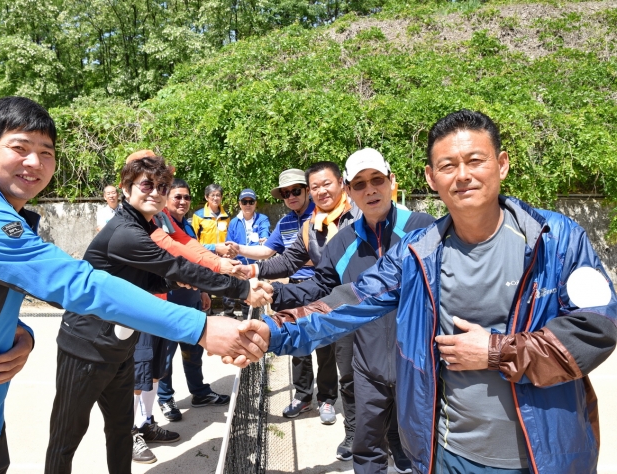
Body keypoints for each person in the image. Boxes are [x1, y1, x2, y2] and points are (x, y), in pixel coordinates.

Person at [0, 96, 268, 474]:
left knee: (120, 430)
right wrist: (202, 326)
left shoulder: (5, 214)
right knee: (68, 436)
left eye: (46, 152)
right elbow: (82, 284)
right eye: (20, 148)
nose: (34, 162)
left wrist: (21, 332)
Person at [244, 110, 617, 473]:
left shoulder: (557, 239)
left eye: (475, 161)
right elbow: (351, 300)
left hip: (546, 454)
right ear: (431, 177)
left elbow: (598, 327)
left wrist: (496, 351)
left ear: (502, 164)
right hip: (448, 454)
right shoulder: (418, 252)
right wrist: (271, 331)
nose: (463, 175)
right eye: (448, 166)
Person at [45, 156, 273, 472]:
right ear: (126, 189)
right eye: (147, 185)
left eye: (162, 186)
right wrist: (242, 288)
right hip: (85, 346)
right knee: (67, 436)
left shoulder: (146, 224)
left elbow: (154, 274)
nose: (156, 192)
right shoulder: (125, 232)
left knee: (121, 430)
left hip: (120, 345)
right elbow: (175, 265)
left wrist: (174, 280)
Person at [268, 148, 434, 469]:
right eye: (359, 184)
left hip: (417, 368)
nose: (370, 190)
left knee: (421, 451)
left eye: (377, 180)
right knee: (367, 449)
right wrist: (273, 293)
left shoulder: (424, 228)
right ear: (349, 190)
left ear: (392, 181)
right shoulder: (343, 241)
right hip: (368, 368)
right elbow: (320, 286)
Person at [243, 162, 362, 428]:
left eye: (326, 184)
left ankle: (335, 405)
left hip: (362, 303)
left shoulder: (360, 217)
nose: (321, 191)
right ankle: (349, 429)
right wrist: (251, 269)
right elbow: (288, 261)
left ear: (342, 184)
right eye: (286, 193)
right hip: (318, 293)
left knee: (352, 370)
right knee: (307, 349)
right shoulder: (309, 226)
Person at [157, 178, 233, 423]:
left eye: (186, 197)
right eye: (177, 197)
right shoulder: (160, 227)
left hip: (192, 300)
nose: (182, 201)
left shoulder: (188, 227)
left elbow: (195, 260)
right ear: (166, 199)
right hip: (169, 303)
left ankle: (199, 392)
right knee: (165, 355)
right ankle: (165, 398)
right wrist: (216, 249)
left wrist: (202, 291)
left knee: (193, 350)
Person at [223, 188, 270, 318]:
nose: (248, 205)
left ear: (255, 203)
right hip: (238, 265)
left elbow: (265, 233)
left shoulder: (262, 219)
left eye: (251, 202)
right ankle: (229, 321)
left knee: (251, 301)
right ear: (240, 203)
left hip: (256, 267)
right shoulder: (234, 222)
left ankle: (250, 324)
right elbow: (229, 243)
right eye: (244, 202)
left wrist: (264, 238)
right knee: (230, 296)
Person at [192, 183, 232, 254]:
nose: (215, 198)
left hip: (223, 255)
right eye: (212, 195)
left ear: (221, 197)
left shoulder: (226, 216)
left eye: (218, 195)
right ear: (206, 197)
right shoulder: (198, 216)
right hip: (205, 254)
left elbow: (230, 237)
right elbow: (193, 239)